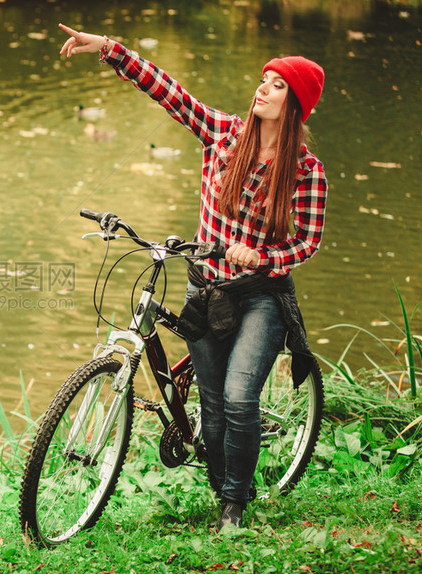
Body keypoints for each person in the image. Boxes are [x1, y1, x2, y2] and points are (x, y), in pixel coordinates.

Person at [58, 24, 327, 530]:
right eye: (262, 79)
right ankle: (225, 487)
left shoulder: (306, 172)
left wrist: (259, 257)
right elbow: (169, 93)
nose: (261, 89)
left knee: (240, 396)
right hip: (205, 289)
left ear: (295, 105)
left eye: (276, 85)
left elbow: (307, 244)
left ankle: (234, 508)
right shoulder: (223, 134)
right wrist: (112, 50)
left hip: (260, 296)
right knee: (213, 406)